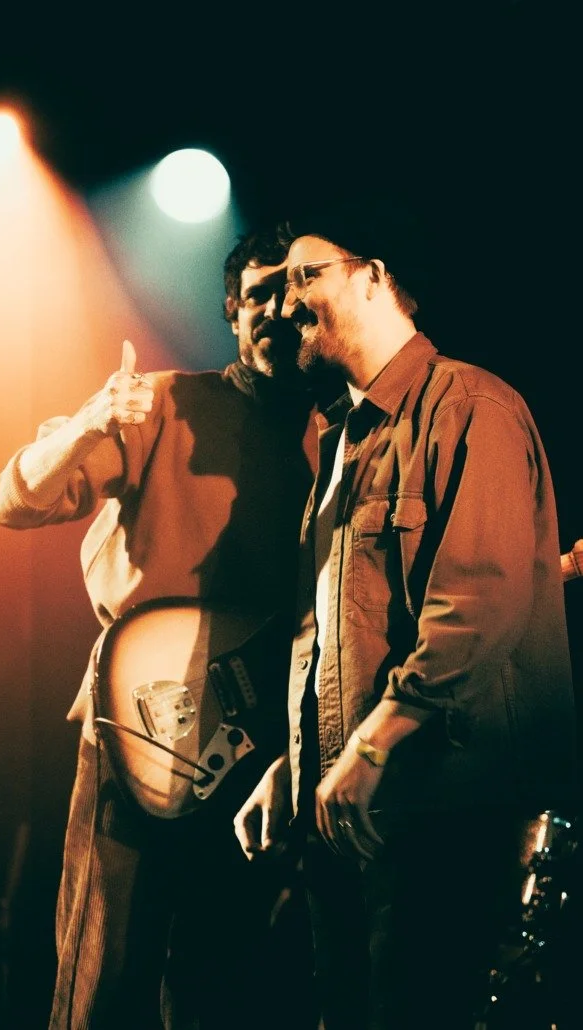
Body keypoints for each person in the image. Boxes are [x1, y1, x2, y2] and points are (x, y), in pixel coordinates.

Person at [233, 205, 579, 1030]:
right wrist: (295, 758)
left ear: (375, 277)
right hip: (350, 806)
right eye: (276, 287)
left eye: (304, 277)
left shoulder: (470, 406)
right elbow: (330, 633)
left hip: (438, 807)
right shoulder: (339, 439)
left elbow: (474, 605)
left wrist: (372, 742)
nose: (283, 304)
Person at [0, 227, 334, 1030]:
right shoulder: (168, 401)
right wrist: (87, 424)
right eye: (258, 297)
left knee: (223, 981)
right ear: (230, 313)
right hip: (139, 726)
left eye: (293, 293)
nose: (278, 313)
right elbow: (15, 500)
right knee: (104, 974)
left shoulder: (347, 433)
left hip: (261, 754)